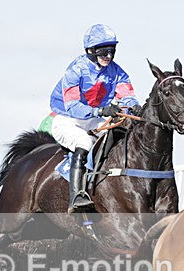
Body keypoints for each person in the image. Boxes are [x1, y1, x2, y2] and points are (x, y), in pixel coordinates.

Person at [49, 23, 141, 213]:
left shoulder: (116, 71)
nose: (108, 56)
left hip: (93, 118)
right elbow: (73, 106)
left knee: (119, 135)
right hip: (68, 119)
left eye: (112, 51)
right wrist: (100, 111)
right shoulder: (76, 70)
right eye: (103, 51)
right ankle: (77, 196)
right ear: (90, 51)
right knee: (84, 140)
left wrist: (135, 107)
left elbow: (127, 96)